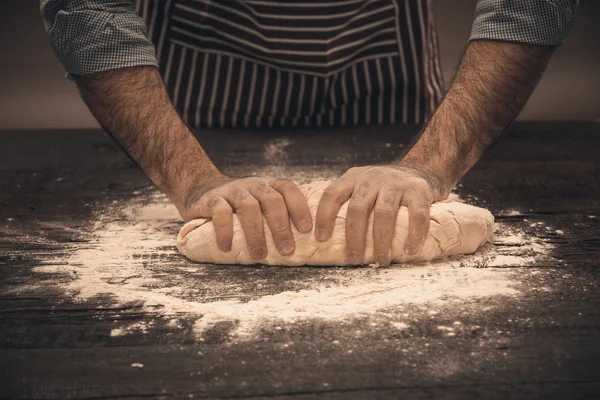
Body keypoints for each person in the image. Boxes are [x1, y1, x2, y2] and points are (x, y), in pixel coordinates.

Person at [40, 0, 578, 266]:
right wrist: (191, 176)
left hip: (387, 77)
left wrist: (426, 164)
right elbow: (85, 6)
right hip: (198, 94)